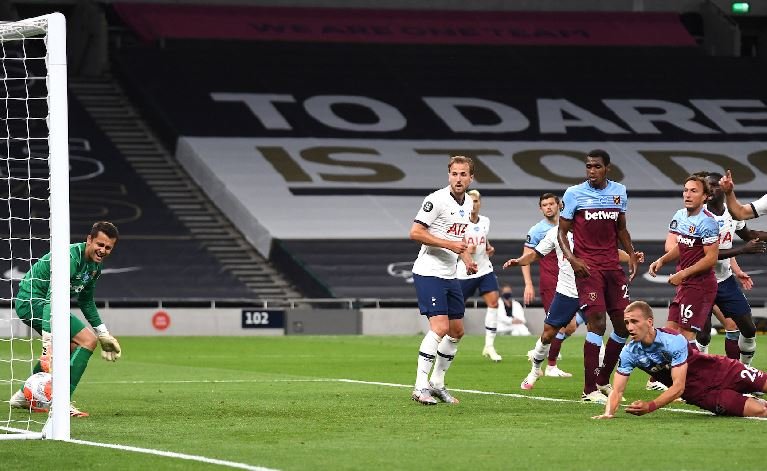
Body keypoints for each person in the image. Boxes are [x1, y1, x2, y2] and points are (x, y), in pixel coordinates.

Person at [9, 221, 122, 417]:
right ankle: (61, 403)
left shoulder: (94, 267)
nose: (102, 250)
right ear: (89, 240)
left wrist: (104, 333)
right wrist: (48, 343)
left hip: (43, 304)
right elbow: (49, 301)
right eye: (99, 244)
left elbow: (86, 301)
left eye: (108, 247)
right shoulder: (70, 258)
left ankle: (23, 396)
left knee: (71, 347)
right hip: (32, 302)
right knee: (88, 341)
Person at [504, 228, 641, 391]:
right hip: (567, 292)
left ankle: (600, 382)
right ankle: (535, 370)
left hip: (592, 288)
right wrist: (519, 261)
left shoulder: (589, 226)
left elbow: (609, 252)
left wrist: (630, 257)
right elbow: (535, 254)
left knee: (596, 331)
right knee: (548, 333)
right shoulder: (555, 233)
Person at [593, 301, 767, 419]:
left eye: (634, 321)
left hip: (723, 370)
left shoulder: (672, 340)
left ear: (650, 322)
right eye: (627, 322)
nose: (630, 327)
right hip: (703, 395)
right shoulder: (629, 353)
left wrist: (651, 406)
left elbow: (678, 386)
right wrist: (609, 413)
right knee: (760, 411)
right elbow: (617, 390)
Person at [558, 149, 638, 403]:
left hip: (613, 267)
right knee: (597, 324)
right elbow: (562, 232)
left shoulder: (619, 192)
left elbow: (621, 229)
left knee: (624, 327)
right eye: (588, 167)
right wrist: (573, 259)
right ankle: (589, 389)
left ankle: (602, 380)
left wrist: (632, 255)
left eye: (596, 167)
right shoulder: (574, 194)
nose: (591, 171)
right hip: (588, 268)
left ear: (607, 169)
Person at [409, 155, 477, 405]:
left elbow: (460, 238)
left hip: (450, 274)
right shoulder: (435, 200)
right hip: (429, 272)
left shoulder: (469, 203)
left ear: (471, 178)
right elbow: (415, 232)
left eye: (463, 174)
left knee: (457, 331)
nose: (458, 179)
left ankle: (437, 383)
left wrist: (467, 259)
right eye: (454, 174)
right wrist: (450, 245)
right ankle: (419, 386)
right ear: (449, 175)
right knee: (439, 328)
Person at [696, 171, 767, 365]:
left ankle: (745, 373)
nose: (710, 188)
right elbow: (706, 256)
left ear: (723, 188)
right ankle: (699, 380)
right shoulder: (698, 216)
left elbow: (748, 234)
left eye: (714, 185)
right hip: (699, 281)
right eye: (707, 185)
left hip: (725, 281)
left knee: (749, 329)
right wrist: (743, 250)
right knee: (702, 335)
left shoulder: (732, 213)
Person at [649, 176, 719, 347]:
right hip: (685, 284)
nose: (687, 194)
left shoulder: (708, 222)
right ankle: (664, 375)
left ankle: (694, 373)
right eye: (686, 190)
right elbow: (682, 245)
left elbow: (711, 258)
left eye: (694, 191)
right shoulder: (680, 216)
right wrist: (662, 260)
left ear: (705, 196)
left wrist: (683, 273)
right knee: (670, 334)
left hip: (700, 285)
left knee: (685, 339)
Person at [521, 193, 578, 375]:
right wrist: (528, 284)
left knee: (570, 326)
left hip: (572, 281)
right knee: (558, 326)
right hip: (550, 282)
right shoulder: (537, 230)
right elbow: (527, 257)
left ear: (558, 205)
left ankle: (540, 351)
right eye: (544, 205)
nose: (548, 207)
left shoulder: (571, 225)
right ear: (541, 209)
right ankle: (549, 364)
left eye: (551, 204)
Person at [457, 190, 504, 361]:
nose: (474, 204)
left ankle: (489, 346)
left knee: (493, 303)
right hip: (464, 272)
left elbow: (484, 239)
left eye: (476, 201)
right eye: (471, 201)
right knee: (455, 309)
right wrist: (464, 251)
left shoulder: (485, 221)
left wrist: (489, 248)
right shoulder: (459, 222)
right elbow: (452, 247)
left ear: (480, 203)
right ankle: (445, 342)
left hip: (484, 270)